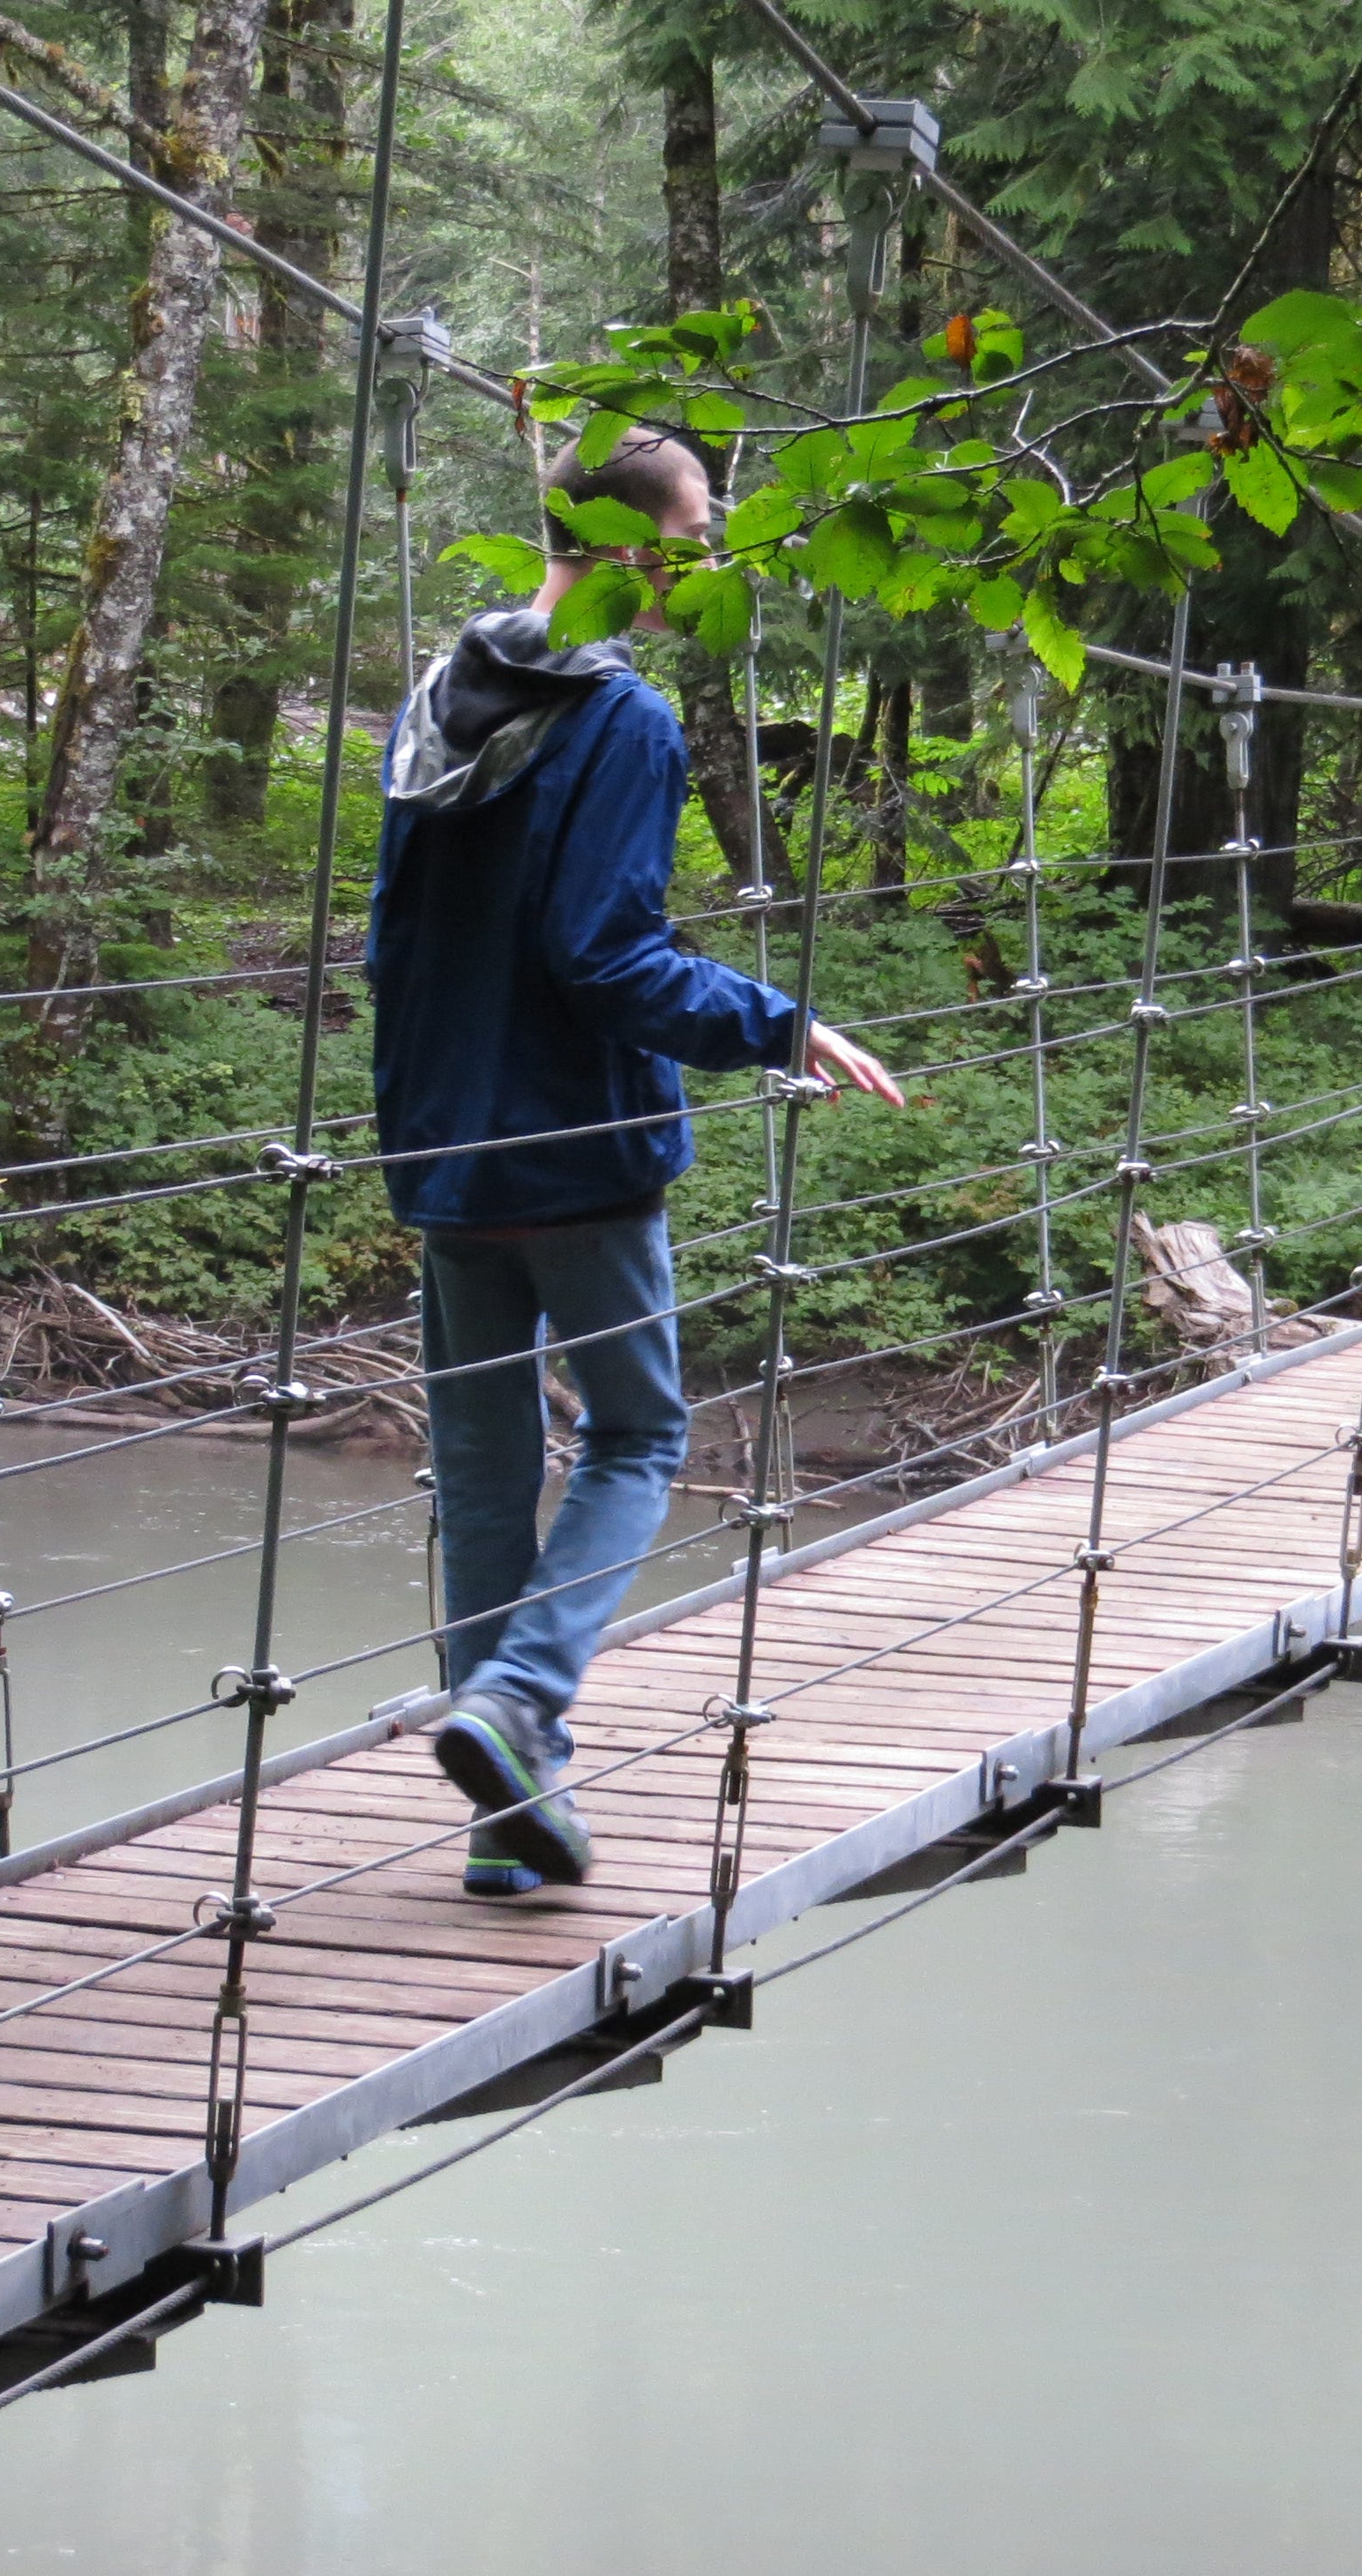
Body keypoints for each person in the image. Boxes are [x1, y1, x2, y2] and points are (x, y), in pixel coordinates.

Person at [367, 426, 905, 1899]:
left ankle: (507, 1827)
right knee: (638, 1437)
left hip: (443, 1149)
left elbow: (393, 951)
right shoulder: (623, 720)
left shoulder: (435, 699)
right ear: (632, 548)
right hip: (577, 1151)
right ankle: (519, 1701)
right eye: (699, 530)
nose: (712, 554)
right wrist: (779, 1025)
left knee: (486, 1474)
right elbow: (605, 960)